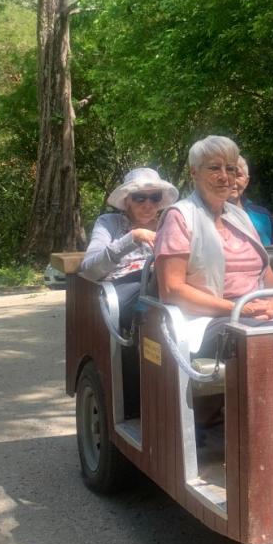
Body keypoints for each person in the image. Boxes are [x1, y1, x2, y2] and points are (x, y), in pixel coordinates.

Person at [155, 136, 273, 359]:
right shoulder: (179, 216)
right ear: (194, 172)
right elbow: (172, 290)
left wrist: (272, 304)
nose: (225, 177)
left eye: (231, 169)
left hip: (257, 316)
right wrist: (239, 309)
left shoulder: (240, 216)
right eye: (215, 168)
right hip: (207, 320)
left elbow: (268, 274)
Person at [80, 166, 178, 417]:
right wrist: (132, 238)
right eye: (140, 198)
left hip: (164, 287)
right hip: (122, 289)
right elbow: (89, 269)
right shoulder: (109, 223)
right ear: (127, 201)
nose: (148, 204)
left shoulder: (171, 222)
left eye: (155, 198)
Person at [229, 155, 273, 245]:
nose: (232, 181)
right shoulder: (204, 215)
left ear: (246, 181)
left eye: (238, 175)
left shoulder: (263, 216)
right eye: (228, 174)